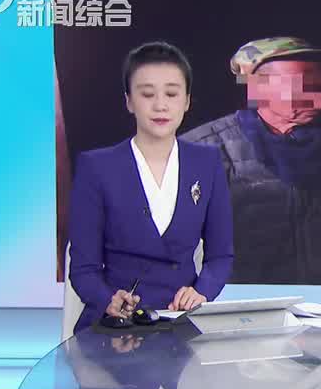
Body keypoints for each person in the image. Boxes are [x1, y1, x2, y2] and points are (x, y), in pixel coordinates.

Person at [182, 37, 321, 285]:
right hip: (241, 297)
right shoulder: (202, 149)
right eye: (299, 85)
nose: (314, 95)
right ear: (257, 88)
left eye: (317, 84)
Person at [68, 41, 234, 334]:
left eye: (171, 94)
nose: (160, 105)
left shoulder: (206, 163)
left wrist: (201, 292)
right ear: (129, 101)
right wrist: (108, 300)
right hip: (113, 327)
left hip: (180, 325)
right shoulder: (96, 167)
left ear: (187, 101)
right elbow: (83, 270)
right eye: (147, 94)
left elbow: (220, 257)